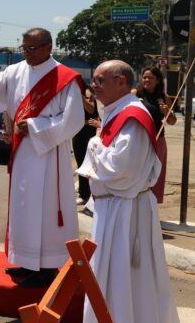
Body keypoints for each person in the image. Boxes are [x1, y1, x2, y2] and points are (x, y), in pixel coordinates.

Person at [0, 27, 84, 287]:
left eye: (32, 48)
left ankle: (47, 268)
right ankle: (27, 262)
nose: (26, 53)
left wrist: (33, 126)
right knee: (23, 207)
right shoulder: (15, 71)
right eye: (24, 48)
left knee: (46, 210)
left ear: (48, 47)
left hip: (49, 154)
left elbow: (73, 120)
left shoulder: (65, 78)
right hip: (22, 154)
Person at [76, 60, 179, 323]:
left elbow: (122, 170)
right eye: (94, 80)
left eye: (100, 80)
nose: (94, 86)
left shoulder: (133, 117)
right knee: (112, 277)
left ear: (121, 81)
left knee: (125, 278)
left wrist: (94, 143)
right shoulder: (117, 110)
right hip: (114, 207)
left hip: (124, 211)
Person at [134, 65, 177, 203]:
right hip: (139, 139)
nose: (146, 80)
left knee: (155, 174)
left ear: (158, 80)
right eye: (145, 77)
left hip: (158, 140)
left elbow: (172, 121)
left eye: (150, 78)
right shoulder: (135, 94)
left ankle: (151, 205)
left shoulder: (164, 97)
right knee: (138, 173)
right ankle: (135, 203)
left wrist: (167, 113)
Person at [72, 82, 99, 204]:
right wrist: (81, 122)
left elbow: (91, 108)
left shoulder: (86, 93)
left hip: (90, 134)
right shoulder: (72, 96)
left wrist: (81, 97)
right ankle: (84, 194)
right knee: (81, 165)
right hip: (78, 134)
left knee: (92, 164)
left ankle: (95, 193)